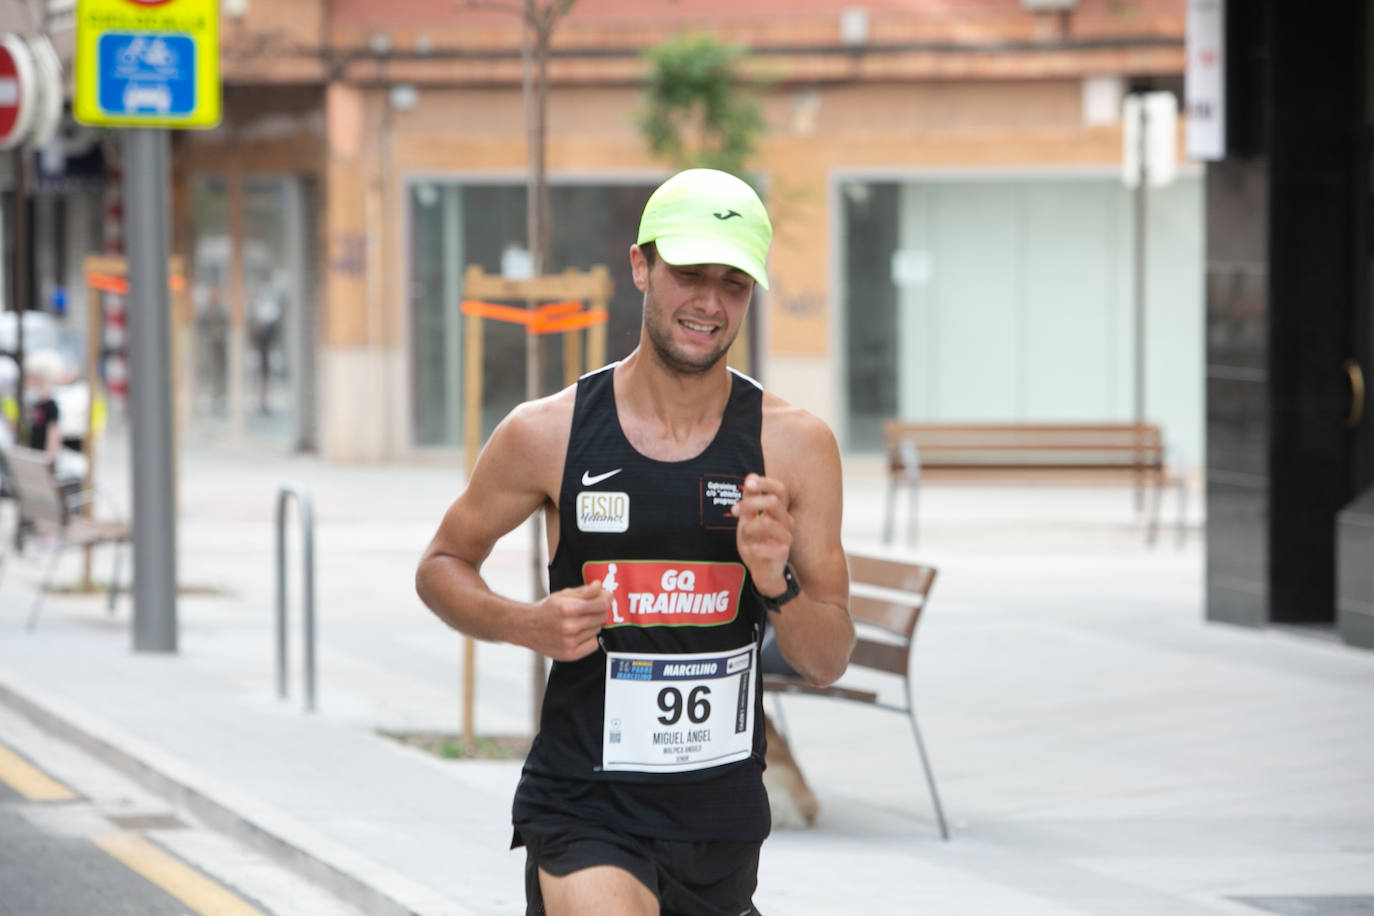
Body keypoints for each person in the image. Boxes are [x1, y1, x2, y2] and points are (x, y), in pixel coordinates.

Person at [415, 168, 854, 916]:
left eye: (734, 282)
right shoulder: (546, 432)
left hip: (720, 820)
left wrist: (774, 579)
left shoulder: (796, 446)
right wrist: (527, 624)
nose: (710, 303)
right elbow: (441, 566)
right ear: (641, 266)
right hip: (585, 802)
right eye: (689, 274)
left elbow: (826, 659)